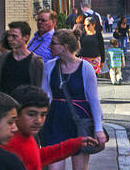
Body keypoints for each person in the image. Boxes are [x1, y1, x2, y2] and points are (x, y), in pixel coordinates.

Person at [40, 29, 106, 170]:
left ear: (65, 47)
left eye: (53, 43)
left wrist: (98, 129)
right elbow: (45, 96)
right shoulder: (49, 66)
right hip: (55, 120)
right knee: (54, 167)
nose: (49, 46)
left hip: (79, 121)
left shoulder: (85, 68)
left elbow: (94, 100)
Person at [5, 85, 98, 170]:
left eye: (43, 115)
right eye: (31, 114)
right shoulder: (9, 143)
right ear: (15, 113)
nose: (38, 121)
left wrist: (75, 144)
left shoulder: (26, 136)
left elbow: (37, 157)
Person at [0, 21, 44, 95]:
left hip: (26, 104)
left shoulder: (36, 62)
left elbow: (39, 89)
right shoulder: (2, 60)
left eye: (14, 36)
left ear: (26, 37)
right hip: (5, 104)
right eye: (9, 36)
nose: (10, 39)